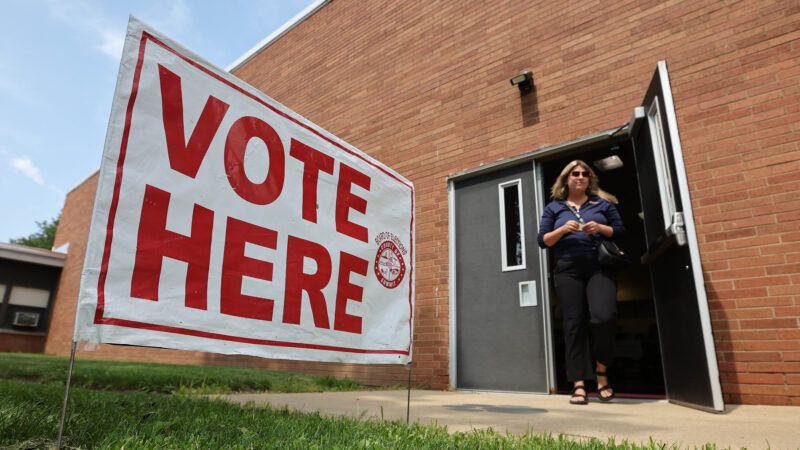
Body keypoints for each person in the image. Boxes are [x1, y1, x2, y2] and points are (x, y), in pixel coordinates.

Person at [537, 160, 625, 405]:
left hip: (599, 267)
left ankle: (601, 371)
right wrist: (563, 229)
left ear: (590, 179)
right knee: (573, 324)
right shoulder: (554, 208)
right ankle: (578, 383)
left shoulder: (603, 204)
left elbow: (620, 232)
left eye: (585, 173)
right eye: (575, 173)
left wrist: (600, 227)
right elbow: (543, 240)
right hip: (568, 270)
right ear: (566, 179)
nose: (580, 176)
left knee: (603, 317)